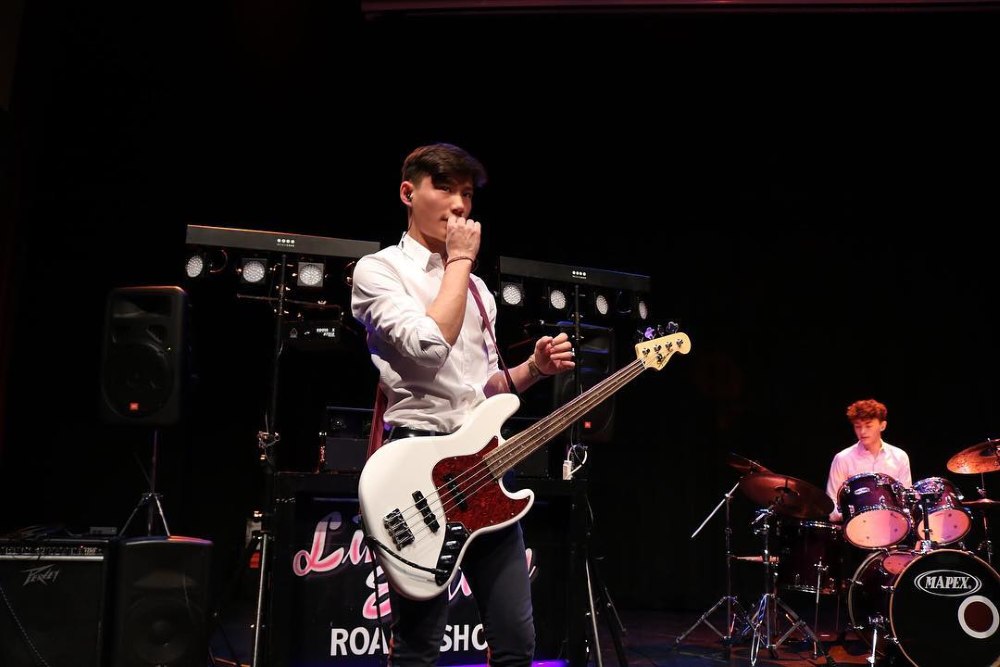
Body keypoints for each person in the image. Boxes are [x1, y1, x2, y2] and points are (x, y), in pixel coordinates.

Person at [350, 142, 575, 666]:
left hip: (481, 469)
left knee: (516, 641)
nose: (459, 205)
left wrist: (532, 369)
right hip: (417, 468)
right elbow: (429, 348)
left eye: (468, 194)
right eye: (445, 188)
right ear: (408, 193)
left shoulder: (478, 291)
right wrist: (459, 260)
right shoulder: (379, 271)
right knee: (418, 645)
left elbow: (483, 390)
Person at [825, 398, 912, 523]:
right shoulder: (843, 458)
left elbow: (906, 501)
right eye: (857, 426)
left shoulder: (899, 457)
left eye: (868, 426)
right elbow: (831, 504)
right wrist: (852, 515)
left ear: (882, 426)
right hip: (856, 527)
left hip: (891, 527)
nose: (862, 431)